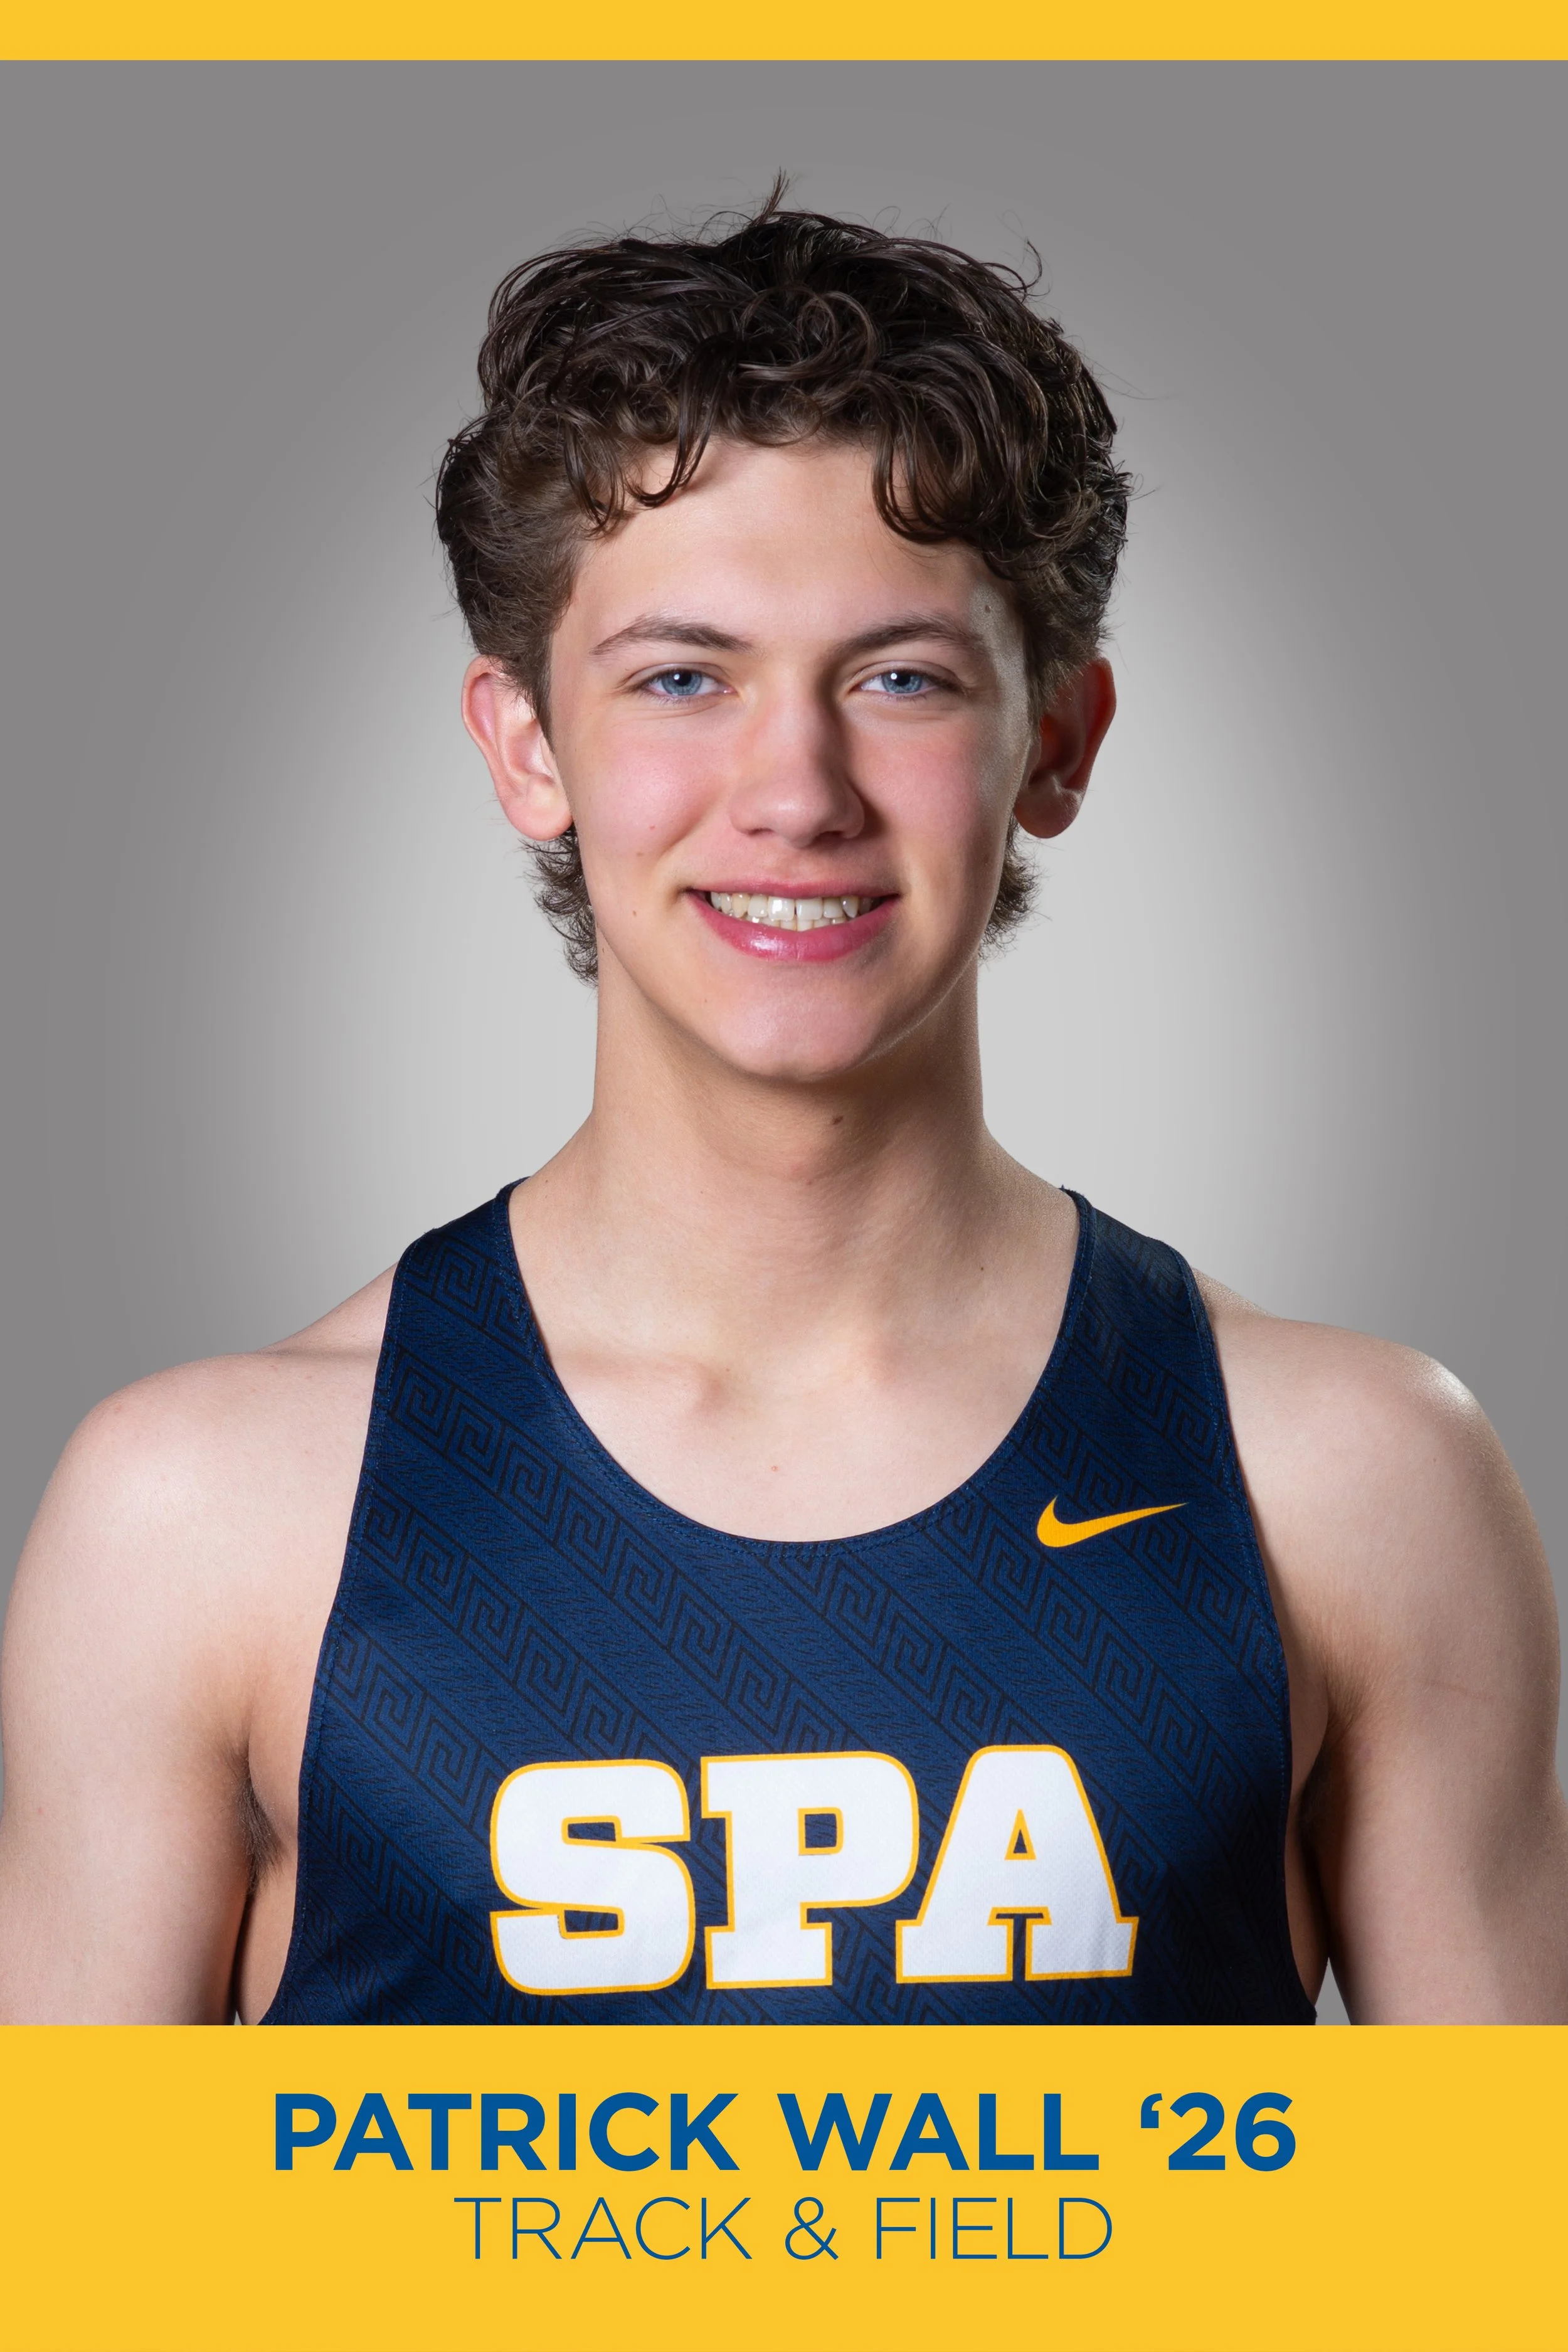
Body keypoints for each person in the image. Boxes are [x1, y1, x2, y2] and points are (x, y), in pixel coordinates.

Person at [1, 196, 1564, 2028]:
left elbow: (1488, 2214)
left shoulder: (1349, 1479)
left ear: (1056, 740)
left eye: (900, 679)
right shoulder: (203, 1514)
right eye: (683, 678)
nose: (796, 790)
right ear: (526, 744)